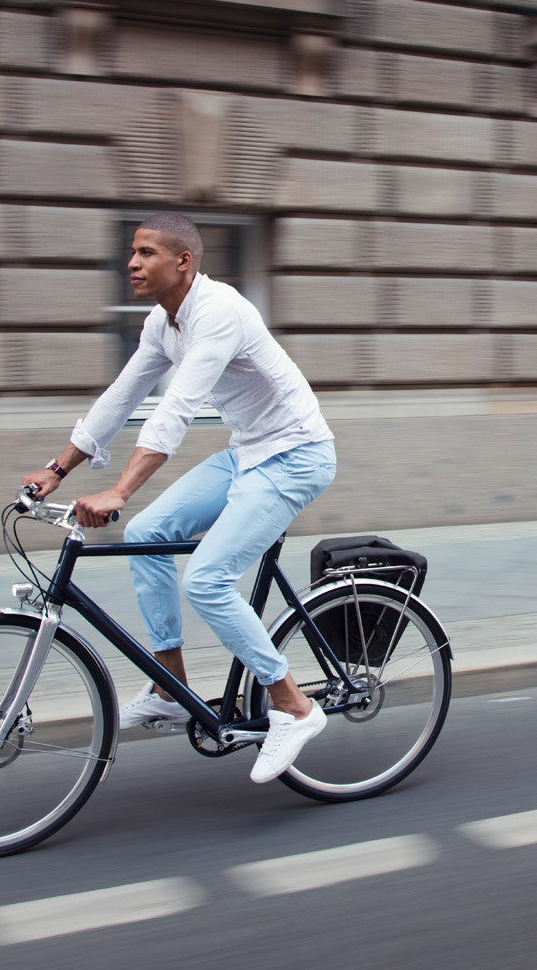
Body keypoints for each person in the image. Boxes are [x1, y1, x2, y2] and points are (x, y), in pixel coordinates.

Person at [21, 213, 338, 784]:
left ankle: (295, 707)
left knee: (207, 580)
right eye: (132, 252)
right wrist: (57, 469)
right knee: (146, 535)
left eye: (146, 253)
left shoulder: (219, 313)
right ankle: (171, 688)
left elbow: (177, 408)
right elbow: (122, 396)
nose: (133, 263)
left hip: (296, 455)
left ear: (183, 261)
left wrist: (119, 489)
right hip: (249, 452)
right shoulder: (163, 323)